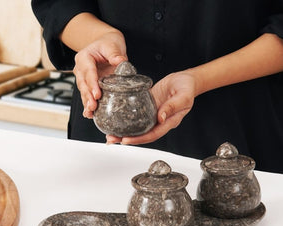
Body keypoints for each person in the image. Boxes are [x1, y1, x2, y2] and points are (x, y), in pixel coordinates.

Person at [31, 1, 283, 173]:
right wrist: (100, 38)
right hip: (103, 137)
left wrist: (199, 79)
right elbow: (57, 3)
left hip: (240, 132)